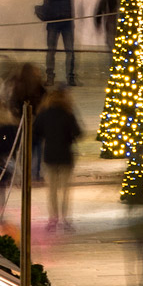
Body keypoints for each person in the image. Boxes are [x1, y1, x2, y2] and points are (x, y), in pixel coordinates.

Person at [36, 85, 82, 232]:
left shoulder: (45, 113)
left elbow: (36, 131)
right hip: (65, 155)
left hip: (50, 155)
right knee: (65, 190)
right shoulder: (68, 113)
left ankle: (53, 219)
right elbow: (78, 132)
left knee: (52, 190)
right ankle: (65, 218)